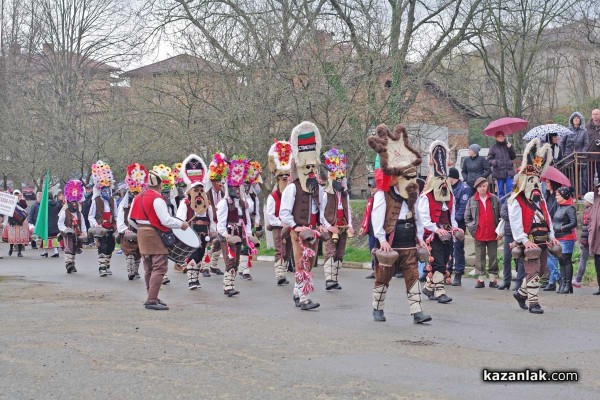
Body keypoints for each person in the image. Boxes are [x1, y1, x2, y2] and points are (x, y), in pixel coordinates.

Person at [367, 123, 431, 323]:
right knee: (383, 277)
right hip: (390, 240)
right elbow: (376, 217)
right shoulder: (383, 195)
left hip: (409, 241)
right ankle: (377, 308)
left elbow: (418, 215)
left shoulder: (414, 194)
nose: (411, 182)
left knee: (412, 275)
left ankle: (417, 312)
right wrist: (381, 238)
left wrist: (420, 237)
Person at [508, 138, 559, 314]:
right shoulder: (517, 200)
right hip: (529, 240)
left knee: (542, 270)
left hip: (543, 239)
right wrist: (522, 240)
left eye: (537, 181)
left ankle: (521, 294)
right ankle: (534, 303)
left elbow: (548, 219)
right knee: (532, 270)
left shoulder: (541, 199)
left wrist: (552, 236)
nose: (535, 185)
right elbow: (515, 222)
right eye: (531, 181)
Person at [280, 121, 326, 310]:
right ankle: (304, 298)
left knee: (309, 264)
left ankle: (298, 293)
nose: (310, 172)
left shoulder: (318, 189)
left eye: (313, 168)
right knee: (302, 264)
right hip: (298, 231)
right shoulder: (292, 188)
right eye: (307, 168)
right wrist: (294, 226)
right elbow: (284, 212)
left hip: (313, 231)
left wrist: (322, 224)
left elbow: (322, 208)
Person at [129, 171, 189, 310]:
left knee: (148, 267)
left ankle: (152, 296)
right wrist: (181, 224)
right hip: (155, 235)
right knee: (160, 266)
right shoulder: (158, 199)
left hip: (142, 234)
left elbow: (130, 220)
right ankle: (151, 299)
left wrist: (140, 229)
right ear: (160, 185)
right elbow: (165, 220)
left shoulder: (137, 197)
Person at [419, 140, 463, 303]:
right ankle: (439, 291)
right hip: (433, 235)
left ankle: (429, 287)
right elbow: (424, 219)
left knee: (445, 259)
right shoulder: (426, 197)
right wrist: (436, 230)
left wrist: (455, 229)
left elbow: (452, 215)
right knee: (437, 262)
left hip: (446, 233)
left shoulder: (450, 197)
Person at [217, 155, 256, 295]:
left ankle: (231, 284)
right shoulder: (224, 203)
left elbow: (247, 221)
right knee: (230, 259)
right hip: (229, 233)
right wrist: (227, 236)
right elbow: (220, 225)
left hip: (240, 233)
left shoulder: (243, 203)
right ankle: (227, 287)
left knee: (237, 260)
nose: (237, 190)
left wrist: (249, 235)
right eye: (234, 187)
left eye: (238, 187)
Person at [175, 154, 211, 290]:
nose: (200, 192)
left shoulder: (206, 204)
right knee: (192, 255)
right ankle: (191, 280)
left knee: (200, 255)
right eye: (196, 190)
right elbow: (180, 218)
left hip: (204, 233)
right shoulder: (185, 203)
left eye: (201, 189)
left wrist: (212, 231)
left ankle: (196, 278)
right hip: (191, 232)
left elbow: (211, 217)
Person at [320, 147, 354, 291]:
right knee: (330, 251)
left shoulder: (345, 194)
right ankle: (329, 279)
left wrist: (350, 225)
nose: (340, 180)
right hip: (331, 227)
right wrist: (329, 226)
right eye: (337, 177)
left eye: (342, 177)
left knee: (340, 252)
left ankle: (335, 278)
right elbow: (321, 213)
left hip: (343, 227)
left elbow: (348, 211)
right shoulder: (325, 194)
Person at [464, 178, 501, 288]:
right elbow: (467, 218)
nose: (482, 188)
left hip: (492, 233)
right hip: (479, 234)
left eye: (484, 186)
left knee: (493, 257)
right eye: (480, 187)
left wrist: (500, 230)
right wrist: (473, 231)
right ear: (477, 188)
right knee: (479, 257)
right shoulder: (472, 200)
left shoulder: (495, 199)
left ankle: (493, 279)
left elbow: (501, 216)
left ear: (487, 186)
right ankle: (480, 279)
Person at [266, 139, 294, 285]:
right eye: (282, 177)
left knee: (288, 250)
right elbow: (270, 215)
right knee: (280, 250)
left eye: (286, 177)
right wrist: (280, 223)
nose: (284, 179)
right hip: (278, 227)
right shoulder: (273, 196)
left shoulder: (292, 194)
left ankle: (284, 272)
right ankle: (280, 275)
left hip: (289, 226)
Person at [117, 163, 149, 280]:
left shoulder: (143, 201)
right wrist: (123, 229)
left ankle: (135, 271)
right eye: (133, 193)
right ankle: (130, 271)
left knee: (139, 251)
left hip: (140, 228)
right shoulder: (124, 204)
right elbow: (120, 216)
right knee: (130, 251)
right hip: (128, 229)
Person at [88, 160, 117, 276]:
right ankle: (102, 267)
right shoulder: (96, 201)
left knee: (111, 247)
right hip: (101, 228)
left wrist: (116, 224)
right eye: (103, 189)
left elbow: (115, 214)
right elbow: (90, 216)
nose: (106, 191)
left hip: (110, 227)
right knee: (102, 247)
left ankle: (107, 264)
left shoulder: (112, 200)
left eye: (107, 188)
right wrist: (96, 225)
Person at [203, 152, 228, 277]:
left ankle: (213, 266)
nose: (221, 184)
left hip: (220, 222)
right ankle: (205, 267)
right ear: (212, 181)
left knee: (219, 242)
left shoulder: (223, 193)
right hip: (210, 223)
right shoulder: (206, 194)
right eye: (218, 181)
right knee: (209, 242)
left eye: (222, 181)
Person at [152, 164, 177, 285]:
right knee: (159, 254)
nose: (166, 195)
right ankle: (161, 275)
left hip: (168, 231)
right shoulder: (157, 201)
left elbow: (174, 215)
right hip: (158, 230)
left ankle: (163, 273)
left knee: (165, 253)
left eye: (168, 193)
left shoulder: (171, 203)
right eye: (164, 193)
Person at [447, 167, 471, 286]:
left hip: (458, 223)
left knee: (458, 248)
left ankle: (458, 273)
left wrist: (454, 221)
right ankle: (448, 272)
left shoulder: (464, 188)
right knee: (448, 248)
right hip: (448, 223)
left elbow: (463, 207)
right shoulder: (448, 188)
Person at [552, 186, 577, 294]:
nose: (556, 197)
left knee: (566, 260)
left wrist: (562, 228)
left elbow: (574, 223)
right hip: (558, 237)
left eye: (558, 195)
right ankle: (563, 283)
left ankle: (568, 284)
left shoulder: (570, 208)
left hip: (567, 238)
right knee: (561, 260)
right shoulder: (559, 207)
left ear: (563, 196)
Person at [58, 180, 87, 273]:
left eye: (75, 203)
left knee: (74, 248)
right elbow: (60, 223)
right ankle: (68, 264)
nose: (74, 205)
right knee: (68, 247)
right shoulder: (64, 212)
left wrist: (84, 232)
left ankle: (72, 263)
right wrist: (65, 229)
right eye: (72, 203)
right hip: (68, 233)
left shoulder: (79, 214)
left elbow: (82, 224)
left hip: (77, 233)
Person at [242, 160, 263, 278]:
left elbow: (257, 210)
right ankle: (243, 269)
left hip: (251, 222)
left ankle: (245, 270)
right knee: (243, 245)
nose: (247, 186)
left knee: (249, 246)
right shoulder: (240, 196)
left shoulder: (254, 196)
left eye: (248, 184)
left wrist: (257, 223)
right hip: (241, 222)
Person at [499, 196, 525, 291]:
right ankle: (506, 281)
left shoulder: (524, 200)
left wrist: (514, 217)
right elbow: (502, 213)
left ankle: (520, 281)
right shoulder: (509, 200)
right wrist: (514, 217)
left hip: (520, 232)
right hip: (509, 232)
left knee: (520, 257)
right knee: (506, 258)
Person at [562, 112, 589, 194]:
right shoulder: (567, 130)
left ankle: (581, 193)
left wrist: (580, 153)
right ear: (572, 120)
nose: (576, 120)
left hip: (579, 158)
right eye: (574, 118)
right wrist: (563, 154)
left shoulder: (584, 131)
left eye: (577, 118)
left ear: (580, 120)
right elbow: (562, 142)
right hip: (568, 157)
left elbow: (586, 144)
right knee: (569, 176)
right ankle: (568, 193)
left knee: (580, 177)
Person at [541, 179, 560, 290]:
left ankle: (553, 279)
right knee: (547, 255)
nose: (546, 184)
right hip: (547, 227)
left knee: (552, 255)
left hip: (554, 228)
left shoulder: (557, 196)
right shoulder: (547, 196)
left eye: (548, 182)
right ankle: (554, 278)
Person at [487, 132, 516, 201]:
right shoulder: (493, 147)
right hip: (498, 172)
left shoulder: (508, 146)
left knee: (510, 189)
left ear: (504, 137)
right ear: (496, 138)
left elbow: (513, 157)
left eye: (502, 136)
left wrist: (510, 148)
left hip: (509, 171)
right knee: (500, 191)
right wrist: (495, 162)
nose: (500, 137)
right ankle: (502, 206)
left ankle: (510, 205)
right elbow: (489, 160)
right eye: (498, 136)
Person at [574, 192, 594, 288]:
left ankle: (578, 279)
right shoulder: (593, 210)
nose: (584, 202)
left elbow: (586, 229)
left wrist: (583, 242)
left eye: (585, 200)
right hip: (591, 240)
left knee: (583, 259)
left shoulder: (588, 212)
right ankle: (578, 279)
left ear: (589, 201)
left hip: (587, 241)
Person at [3, 190, 30, 257]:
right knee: (12, 237)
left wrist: (21, 199)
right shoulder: (11, 201)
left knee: (20, 237)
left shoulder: (21, 200)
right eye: (15, 194)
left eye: (18, 194)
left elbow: (24, 206)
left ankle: (19, 252)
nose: (17, 195)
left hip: (21, 221)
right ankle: (11, 249)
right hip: (12, 221)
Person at [360, 183, 378, 279]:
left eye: (373, 187)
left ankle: (380, 270)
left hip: (379, 230)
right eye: (370, 187)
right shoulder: (371, 199)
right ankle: (374, 270)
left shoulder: (381, 199)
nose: (371, 189)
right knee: (372, 250)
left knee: (378, 250)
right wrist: (363, 226)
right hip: (371, 230)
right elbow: (367, 215)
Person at [587, 183, 600, 295]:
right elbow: (591, 219)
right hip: (596, 238)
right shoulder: (596, 203)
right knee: (597, 263)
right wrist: (591, 228)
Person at [40, 193, 62, 258]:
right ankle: (56, 251)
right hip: (55, 223)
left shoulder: (45, 205)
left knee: (45, 238)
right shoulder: (57, 204)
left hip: (47, 223)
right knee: (54, 238)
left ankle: (45, 251)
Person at [586, 109, 600, 184]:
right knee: (589, 177)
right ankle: (590, 192)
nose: (595, 116)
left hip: (599, 156)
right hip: (589, 156)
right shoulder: (587, 127)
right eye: (593, 114)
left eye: (597, 114)